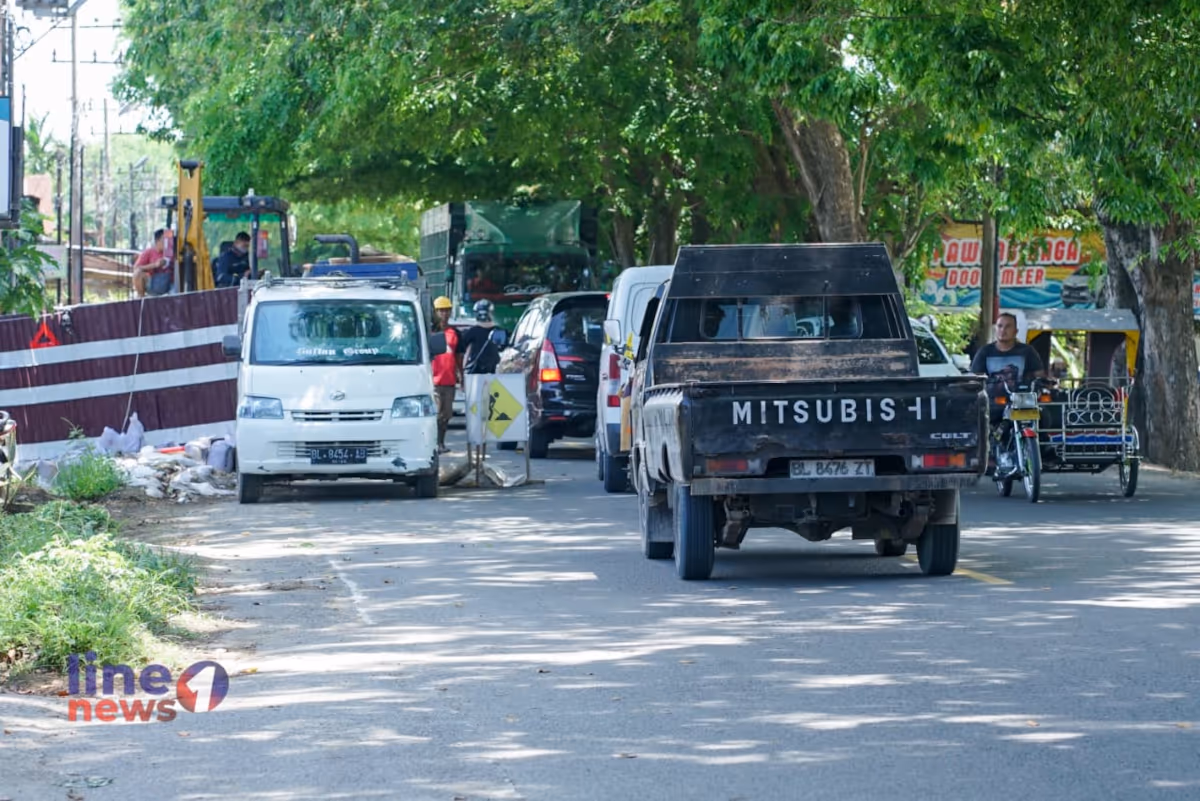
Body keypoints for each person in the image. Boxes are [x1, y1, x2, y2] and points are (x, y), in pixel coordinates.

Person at [970, 312, 1047, 419]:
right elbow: (975, 378)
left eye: (1008, 326)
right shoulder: (984, 351)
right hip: (992, 404)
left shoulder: (1027, 351)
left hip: (1022, 404)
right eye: (1000, 326)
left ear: (1016, 331)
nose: (1003, 330)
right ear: (995, 329)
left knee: (1044, 417)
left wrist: (1043, 382)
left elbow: (1040, 375)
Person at [430, 296, 459, 453]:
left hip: (449, 381)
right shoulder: (429, 332)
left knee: (445, 415)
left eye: (447, 310)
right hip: (432, 380)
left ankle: (441, 443)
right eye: (441, 310)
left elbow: (458, 356)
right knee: (434, 414)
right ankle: (432, 444)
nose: (444, 314)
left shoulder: (454, 333)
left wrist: (460, 374)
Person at [456, 299, 504, 376]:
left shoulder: (471, 332)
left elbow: (461, 353)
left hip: (475, 374)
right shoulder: (499, 331)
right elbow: (503, 350)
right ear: (491, 313)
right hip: (495, 372)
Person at [132, 229, 171, 298]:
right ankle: (141, 298)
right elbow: (136, 268)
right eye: (164, 240)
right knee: (137, 273)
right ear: (157, 241)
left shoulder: (171, 252)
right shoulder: (149, 252)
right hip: (153, 281)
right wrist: (154, 265)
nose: (166, 243)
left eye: (167, 241)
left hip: (169, 283)